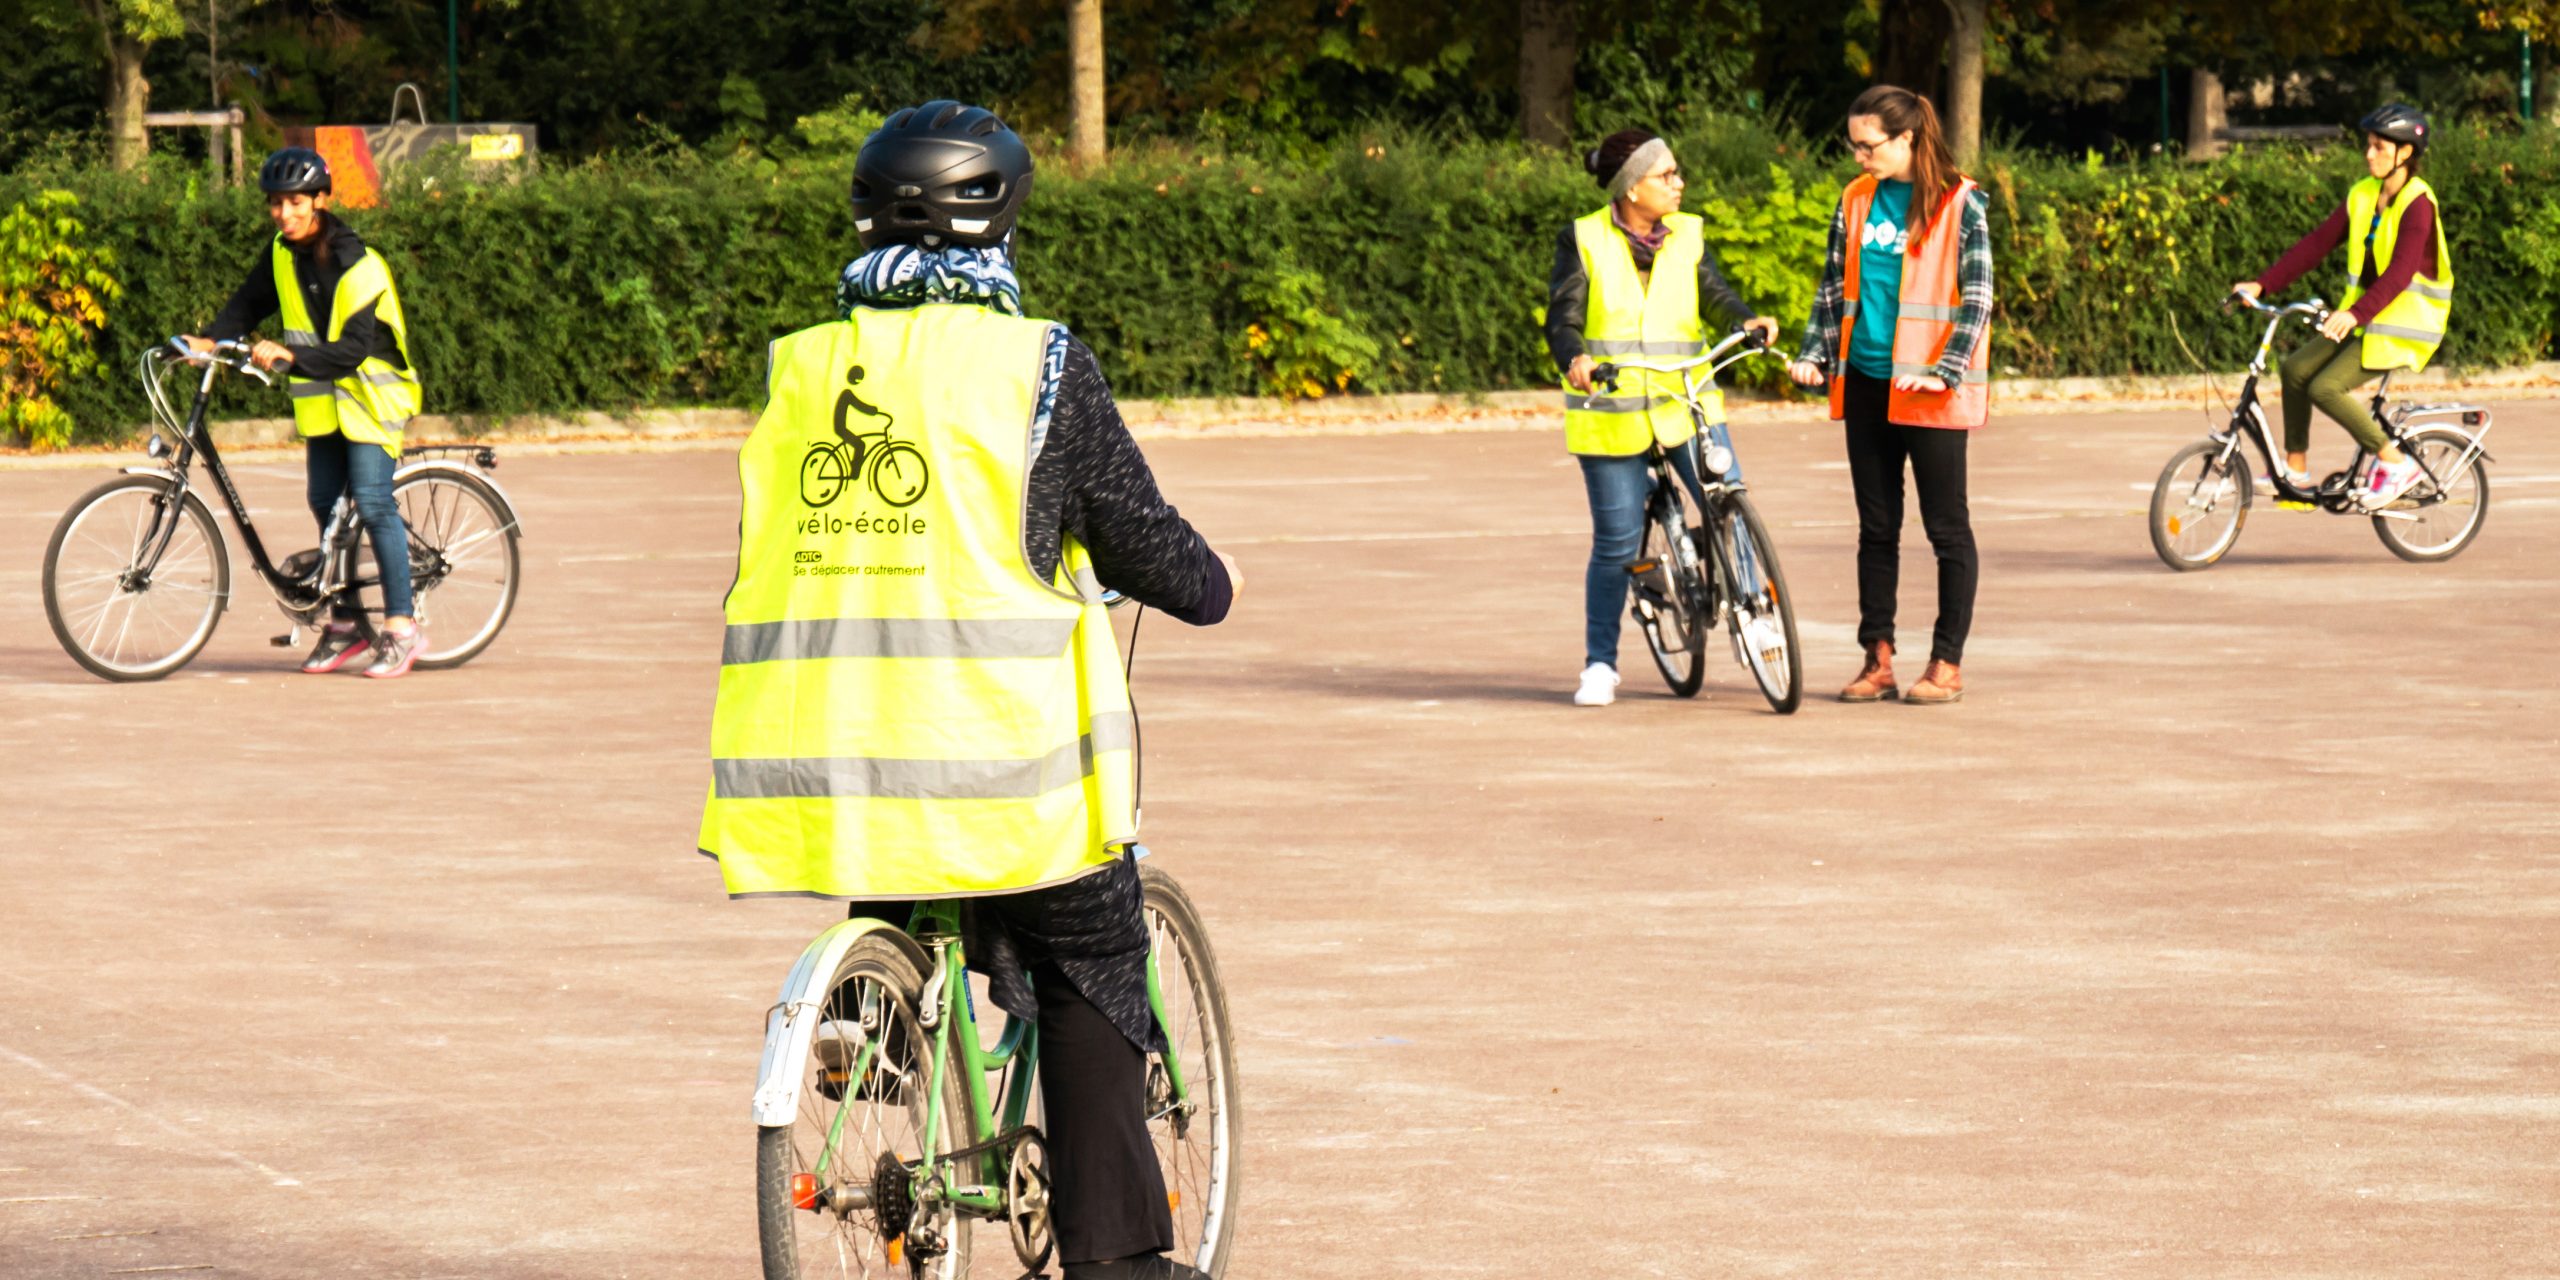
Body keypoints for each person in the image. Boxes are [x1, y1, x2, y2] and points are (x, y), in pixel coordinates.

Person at [697, 101, 1240, 1280]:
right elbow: (1137, 533)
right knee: (1091, 945)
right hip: (994, 765)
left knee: (903, 861)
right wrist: (1212, 582)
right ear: (1000, 220)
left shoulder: (797, 367)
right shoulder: (1033, 363)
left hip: (823, 762)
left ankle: (878, 1013)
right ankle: (1120, 1259)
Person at [1545, 127, 1778, 707]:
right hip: (1612, 413)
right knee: (1618, 545)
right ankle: (1600, 665)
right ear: (1631, 188)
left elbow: (1715, 292)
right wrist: (1574, 358)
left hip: (1684, 403)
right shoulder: (1585, 239)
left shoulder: (1687, 235)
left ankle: (1758, 615)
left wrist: (1747, 320)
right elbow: (1563, 316)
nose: (1680, 183)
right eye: (1666, 175)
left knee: (1729, 507)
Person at [184, 147, 427, 679]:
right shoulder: (280, 252)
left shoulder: (356, 262)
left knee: (371, 501)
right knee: (324, 502)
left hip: (370, 395)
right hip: (324, 399)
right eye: (275, 203)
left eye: (295, 201)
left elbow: (355, 350)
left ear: (320, 200)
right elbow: (248, 303)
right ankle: (344, 625)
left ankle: (402, 628)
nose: (283, 213)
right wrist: (209, 339)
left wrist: (292, 356)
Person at [1787, 85, 1992, 706]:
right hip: (1869, 384)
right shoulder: (1855, 199)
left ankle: (1946, 663)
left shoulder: (1961, 202)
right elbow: (1833, 286)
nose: (1859, 157)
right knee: (1876, 529)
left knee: (1946, 529)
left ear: (1907, 139)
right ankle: (1877, 658)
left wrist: (1943, 371)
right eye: (1853, 145)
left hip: (1931, 394)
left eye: (1869, 145)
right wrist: (1814, 353)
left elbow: (1978, 297)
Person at [2231, 103, 2451, 510]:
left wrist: (2354, 314)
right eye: (2368, 145)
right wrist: (2263, 284)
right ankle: (2294, 471)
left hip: (2404, 322)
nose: (2369, 154)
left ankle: (2395, 463)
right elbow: (2315, 245)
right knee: (2296, 369)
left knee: (2326, 387)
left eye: (2379, 147)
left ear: (2405, 153)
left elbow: (2400, 274)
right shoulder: (2363, 194)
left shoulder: (2418, 203)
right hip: (2367, 316)